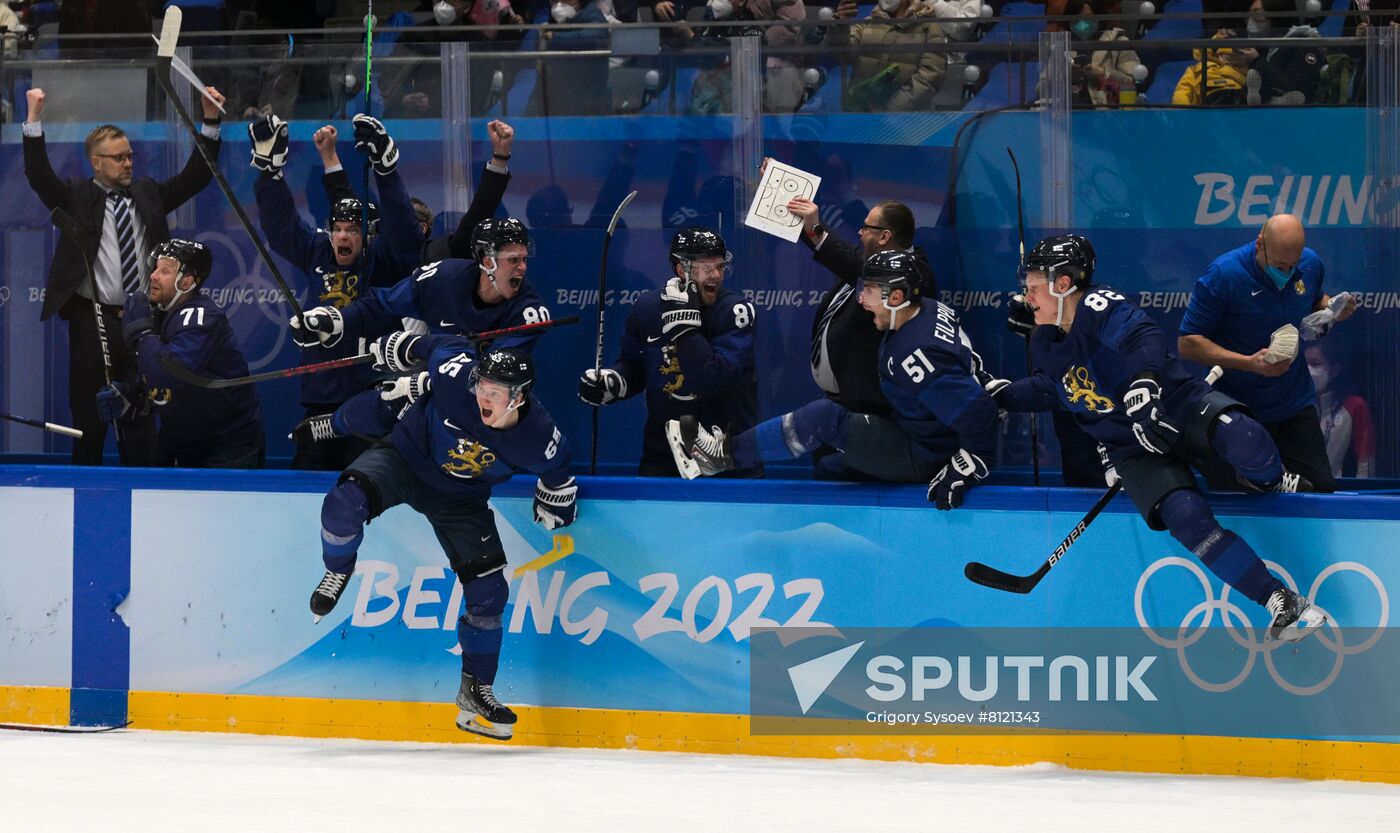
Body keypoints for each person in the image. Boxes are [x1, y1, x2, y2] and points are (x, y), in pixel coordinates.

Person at [991, 234, 1324, 643]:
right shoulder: (1044, 338)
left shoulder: (1099, 304)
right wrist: (1001, 394)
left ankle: (1270, 479)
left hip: (1174, 404)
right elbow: (1052, 388)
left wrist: (1144, 386)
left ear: (1063, 283)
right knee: (1185, 517)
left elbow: (1141, 337)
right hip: (1129, 446)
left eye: (1032, 284)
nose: (1025, 294)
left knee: (1245, 438)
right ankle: (1280, 601)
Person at [308, 341, 576, 741]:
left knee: (489, 594)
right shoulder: (455, 377)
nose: (482, 395)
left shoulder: (539, 436)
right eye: (481, 385)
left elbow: (558, 467)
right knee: (343, 501)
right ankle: (337, 570)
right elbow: (439, 346)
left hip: (461, 499)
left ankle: (475, 689)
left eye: (494, 392)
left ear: (518, 397)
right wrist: (406, 348)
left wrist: (558, 494)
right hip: (405, 460)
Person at [666, 250, 998, 511]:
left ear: (895, 297)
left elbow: (980, 412)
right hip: (915, 430)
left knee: (824, 419)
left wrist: (972, 461)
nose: (861, 299)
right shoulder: (930, 309)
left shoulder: (914, 354)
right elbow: (965, 361)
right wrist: (983, 379)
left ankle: (718, 456)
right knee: (832, 467)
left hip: (924, 453)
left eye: (868, 291)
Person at [22, 85, 226, 466]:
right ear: (96, 163)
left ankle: (147, 492)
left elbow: (196, 178)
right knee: (89, 416)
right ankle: (84, 496)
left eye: (130, 156)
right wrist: (33, 118)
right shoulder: (76, 196)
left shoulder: (147, 194)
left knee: (143, 416)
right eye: (118, 158)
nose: (128, 163)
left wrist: (210, 120)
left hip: (145, 321)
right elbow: (38, 175)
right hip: (92, 320)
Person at [250, 112, 422, 471]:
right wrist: (270, 174)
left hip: (374, 401)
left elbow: (406, 231)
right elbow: (281, 229)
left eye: (352, 230)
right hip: (321, 400)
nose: (343, 236)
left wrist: (385, 170)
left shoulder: (383, 260)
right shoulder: (319, 251)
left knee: (364, 484)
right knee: (309, 490)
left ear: (370, 234)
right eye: (337, 228)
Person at [289, 217, 552, 443]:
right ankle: (337, 423)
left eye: (524, 259)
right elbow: (381, 303)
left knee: (410, 391)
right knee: (392, 394)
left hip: (490, 403)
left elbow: (495, 378)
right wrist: (334, 320)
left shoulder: (529, 313)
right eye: (513, 259)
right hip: (439, 374)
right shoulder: (443, 279)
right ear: (487, 261)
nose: (523, 268)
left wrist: (422, 364)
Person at [1178, 213, 1356, 493]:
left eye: (1292, 266)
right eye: (1279, 266)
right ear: (1260, 243)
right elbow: (1188, 342)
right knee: (1237, 501)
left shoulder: (1309, 264)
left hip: (1293, 403)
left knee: (1319, 491)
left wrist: (1333, 307)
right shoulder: (1223, 275)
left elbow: (1313, 300)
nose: (1286, 274)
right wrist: (1249, 363)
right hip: (1237, 409)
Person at [578, 227, 758, 477]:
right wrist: (612, 382)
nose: (716, 275)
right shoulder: (647, 308)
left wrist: (683, 326)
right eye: (707, 267)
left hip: (727, 459)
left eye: (720, 266)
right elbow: (633, 367)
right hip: (662, 457)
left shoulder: (735, 311)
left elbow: (713, 378)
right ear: (681, 269)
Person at [96, 240, 264, 468]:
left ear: (187, 282)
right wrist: (130, 398)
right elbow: (158, 387)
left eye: (165, 271)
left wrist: (144, 335)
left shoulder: (202, 317)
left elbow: (169, 373)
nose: (154, 275)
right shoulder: (160, 316)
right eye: (155, 268)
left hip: (227, 450)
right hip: (180, 447)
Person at [785, 194, 936, 429]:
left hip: (873, 411)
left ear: (885, 236)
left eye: (866, 227)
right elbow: (847, 260)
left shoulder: (912, 273)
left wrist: (815, 226)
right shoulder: (867, 264)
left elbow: (849, 261)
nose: (859, 232)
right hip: (841, 402)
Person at [320, 118, 518, 265]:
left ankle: (385, 170)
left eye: (392, 222)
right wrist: (329, 156)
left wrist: (500, 157)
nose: (386, 229)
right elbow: (346, 209)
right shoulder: (371, 255)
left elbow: (480, 212)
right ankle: (385, 170)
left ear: (422, 228)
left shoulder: (442, 257)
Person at [829, 0, 948, 113]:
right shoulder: (867, 23)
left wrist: (888, 111)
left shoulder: (929, 27)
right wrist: (840, 24)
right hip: (859, 115)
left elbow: (930, 76)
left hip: (904, 124)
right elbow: (843, 56)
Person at [1305, 341, 1376, 479]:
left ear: (1335, 370)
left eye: (1315, 364)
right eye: (1305, 365)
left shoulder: (1354, 406)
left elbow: (1365, 461)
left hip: (1339, 493)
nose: (1308, 370)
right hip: (1299, 492)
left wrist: (1363, 497)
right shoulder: (1295, 406)